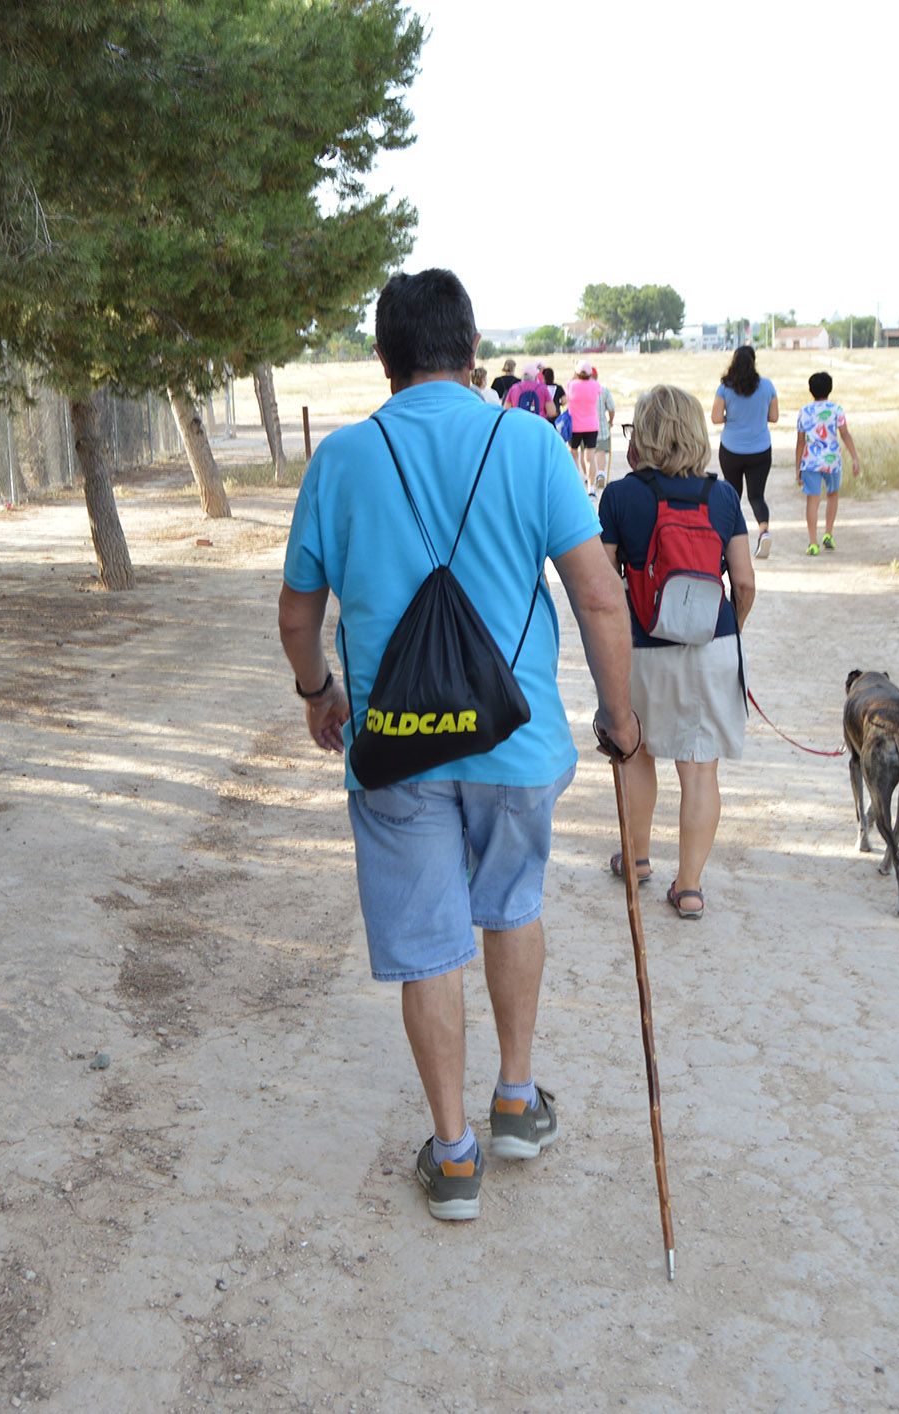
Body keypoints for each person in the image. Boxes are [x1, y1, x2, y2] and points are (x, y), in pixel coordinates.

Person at [277, 269, 638, 1224]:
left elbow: (297, 611)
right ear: (474, 353)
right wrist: (620, 717)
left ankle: (454, 1157)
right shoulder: (530, 442)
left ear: (383, 359)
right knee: (512, 907)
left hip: (393, 745)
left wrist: (322, 694)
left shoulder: (345, 459)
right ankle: (516, 1101)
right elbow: (599, 595)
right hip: (515, 739)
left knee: (426, 944)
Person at [596, 386, 756, 921]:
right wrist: (724, 632)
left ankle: (638, 858)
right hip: (713, 646)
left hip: (643, 649)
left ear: (642, 435)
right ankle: (688, 887)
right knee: (699, 767)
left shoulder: (620, 497)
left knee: (636, 752)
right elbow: (746, 583)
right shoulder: (723, 497)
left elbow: (601, 584)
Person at [710, 345, 778, 558]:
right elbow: (774, 416)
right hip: (760, 449)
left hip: (731, 449)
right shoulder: (767, 386)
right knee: (757, 495)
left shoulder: (724, 388)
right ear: (754, 361)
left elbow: (715, 418)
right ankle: (764, 531)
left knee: (732, 494)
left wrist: (733, 417)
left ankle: (729, 537)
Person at [794, 370, 863, 556]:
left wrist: (797, 467)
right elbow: (845, 434)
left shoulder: (804, 412)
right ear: (830, 389)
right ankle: (828, 534)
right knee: (832, 495)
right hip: (832, 461)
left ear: (810, 390)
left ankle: (812, 542)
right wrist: (855, 457)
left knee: (812, 500)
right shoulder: (836, 410)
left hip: (810, 461)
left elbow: (800, 441)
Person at [565, 362, 607, 493]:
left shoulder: (571, 385)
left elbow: (566, 396)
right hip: (591, 426)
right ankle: (591, 488)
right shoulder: (595, 385)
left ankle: (576, 483)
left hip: (575, 426)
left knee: (574, 454)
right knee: (589, 458)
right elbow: (598, 392)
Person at [595, 376, 618, 486]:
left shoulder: (575, 387)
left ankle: (587, 476)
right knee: (600, 451)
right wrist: (611, 421)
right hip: (601, 427)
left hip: (581, 426)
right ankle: (600, 474)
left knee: (586, 452)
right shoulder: (603, 390)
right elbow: (611, 408)